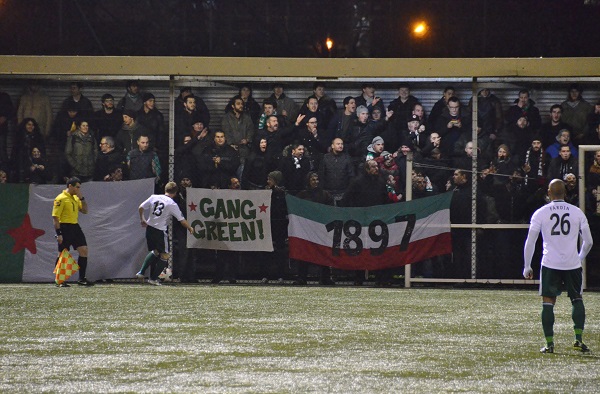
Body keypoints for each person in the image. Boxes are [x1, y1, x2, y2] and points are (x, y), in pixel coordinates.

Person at [523, 179, 594, 354]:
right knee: (577, 299)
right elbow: (589, 242)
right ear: (565, 192)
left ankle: (549, 343)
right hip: (572, 263)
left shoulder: (541, 213)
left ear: (549, 192)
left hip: (550, 263)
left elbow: (530, 241)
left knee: (548, 302)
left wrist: (527, 265)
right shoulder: (577, 212)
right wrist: (579, 257)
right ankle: (578, 339)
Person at [136, 181, 194, 285]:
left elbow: (141, 207)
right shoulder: (172, 204)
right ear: (175, 192)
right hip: (160, 230)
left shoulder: (154, 197)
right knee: (166, 256)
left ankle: (141, 272)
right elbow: (182, 220)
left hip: (150, 228)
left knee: (156, 252)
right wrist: (190, 228)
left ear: (165, 190)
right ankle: (153, 279)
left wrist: (142, 219)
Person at [52, 177, 91, 287]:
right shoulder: (61, 198)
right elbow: (55, 217)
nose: (78, 189)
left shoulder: (75, 198)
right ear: (70, 186)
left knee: (84, 250)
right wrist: (59, 233)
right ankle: (59, 280)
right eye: (77, 187)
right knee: (62, 253)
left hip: (75, 226)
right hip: (65, 227)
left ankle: (82, 278)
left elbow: (85, 211)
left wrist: (82, 198)